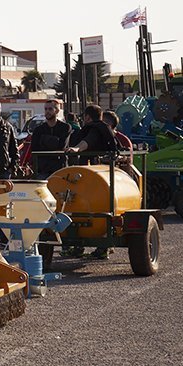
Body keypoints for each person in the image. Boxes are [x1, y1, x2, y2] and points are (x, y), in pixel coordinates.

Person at [65, 105, 118, 260]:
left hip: (91, 176)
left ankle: (99, 247)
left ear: (88, 117)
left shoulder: (94, 129)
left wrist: (76, 149)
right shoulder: (106, 130)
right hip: (101, 174)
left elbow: (88, 141)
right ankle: (85, 247)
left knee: (96, 210)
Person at [30, 99, 72, 179]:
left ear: (57, 111)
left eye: (50, 109)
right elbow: (35, 149)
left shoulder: (65, 127)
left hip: (60, 168)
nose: (47, 111)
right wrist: (54, 141)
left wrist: (43, 141)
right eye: (45, 109)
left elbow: (61, 146)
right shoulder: (38, 130)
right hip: (42, 170)